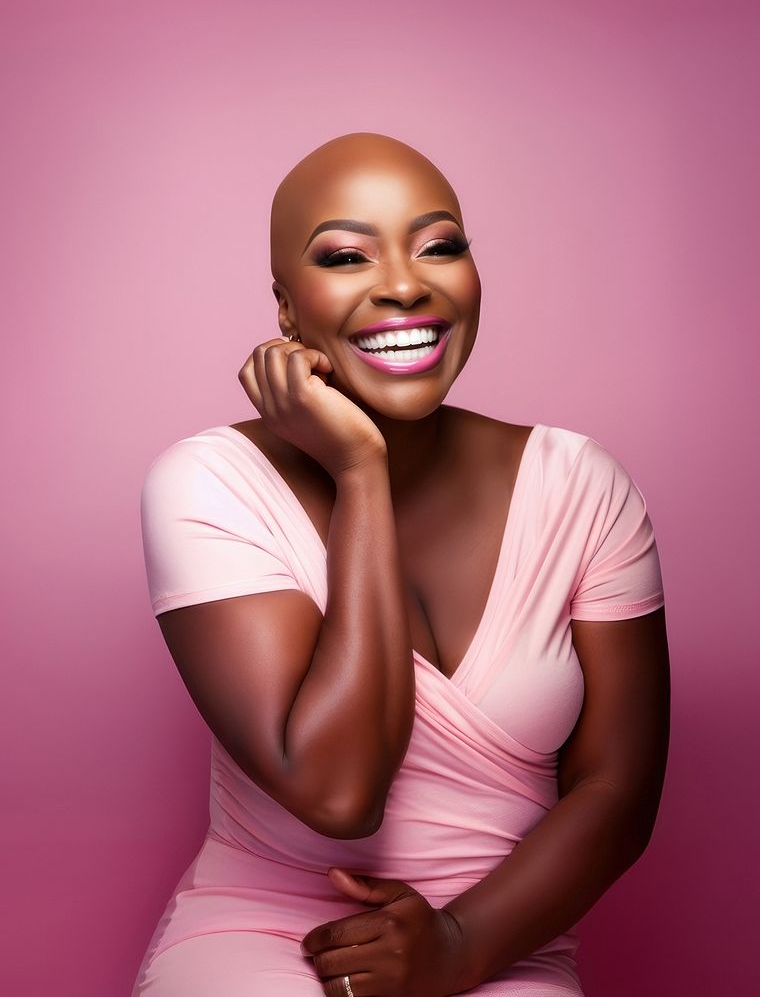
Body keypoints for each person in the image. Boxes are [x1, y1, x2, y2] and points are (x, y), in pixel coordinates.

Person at [132, 132, 669, 996]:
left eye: (440, 245)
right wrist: (360, 472)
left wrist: (458, 945)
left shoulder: (581, 485)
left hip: (504, 942)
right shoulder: (207, 483)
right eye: (346, 255)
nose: (404, 284)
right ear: (284, 306)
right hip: (270, 936)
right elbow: (342, 794)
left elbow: (618, 789)